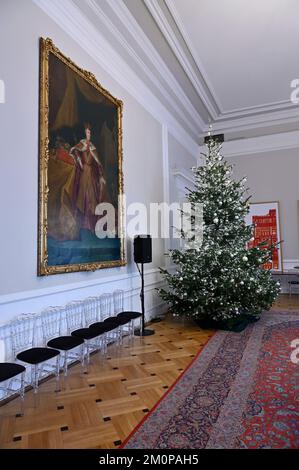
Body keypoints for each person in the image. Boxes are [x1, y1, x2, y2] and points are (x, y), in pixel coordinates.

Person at [69, 123, 107, 234]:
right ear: (84, 133)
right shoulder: (82, 144)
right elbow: (74, 151)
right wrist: (79, 161)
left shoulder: (93, 147)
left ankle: (91, 224)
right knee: (82, 196)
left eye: (89, 132)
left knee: (91, 197)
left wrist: (101, 176)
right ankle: (82, 224)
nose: (88, 134)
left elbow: (98, 164)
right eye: (87, 132)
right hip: (83, 173)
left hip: (91, 174)